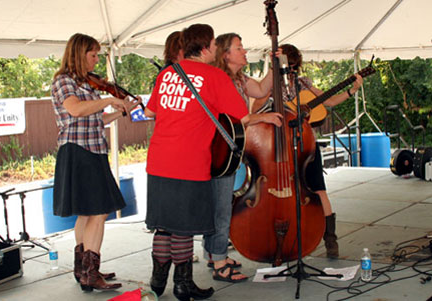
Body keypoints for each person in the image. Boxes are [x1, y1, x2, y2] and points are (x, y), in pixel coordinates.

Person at [144, 24, 282, 300]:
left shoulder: (168, 72)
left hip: (158, 160)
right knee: (183, 226)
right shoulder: (214, 75)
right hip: (189, 160)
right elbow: (240, 117)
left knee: (164, 224)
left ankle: (157, 282)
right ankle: (183, 285)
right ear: (206, 47)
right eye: (215, 45)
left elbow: (150, 111)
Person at [50, 33, 139, 292]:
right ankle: (90, 272)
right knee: (99, 211)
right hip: (79, 153)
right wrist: (110, 99)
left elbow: (92, 120)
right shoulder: (64, 81)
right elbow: (76, 110)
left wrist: (119, 111)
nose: (96, 60)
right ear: (79, 54)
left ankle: (85, 270)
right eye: (93, 55)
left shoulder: (85, 84)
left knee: (88, 212)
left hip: (90, 150)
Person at [276, 43, 363, 258]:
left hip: (306, 143)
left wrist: (352, 90)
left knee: (318, 189)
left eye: (294, 65)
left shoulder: (304, 83)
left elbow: (330, 100)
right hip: (282, 144)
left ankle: (330, 239)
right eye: (290, 65)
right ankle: (288, 239)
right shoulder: (272, 85)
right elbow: (257, 106)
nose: (292, 70)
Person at [203, 32, 277, 283]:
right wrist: (263, 117)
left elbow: (261, 89)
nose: (245, 51)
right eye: (239, 47)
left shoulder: (239, 78)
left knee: (219, 203)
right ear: (225, 54)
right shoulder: (220, 80)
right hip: (220, 151)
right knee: (221, 206)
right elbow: (236, 117)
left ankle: (214, 254)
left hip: (230, 149)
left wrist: (273, 64)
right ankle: (220, 261)